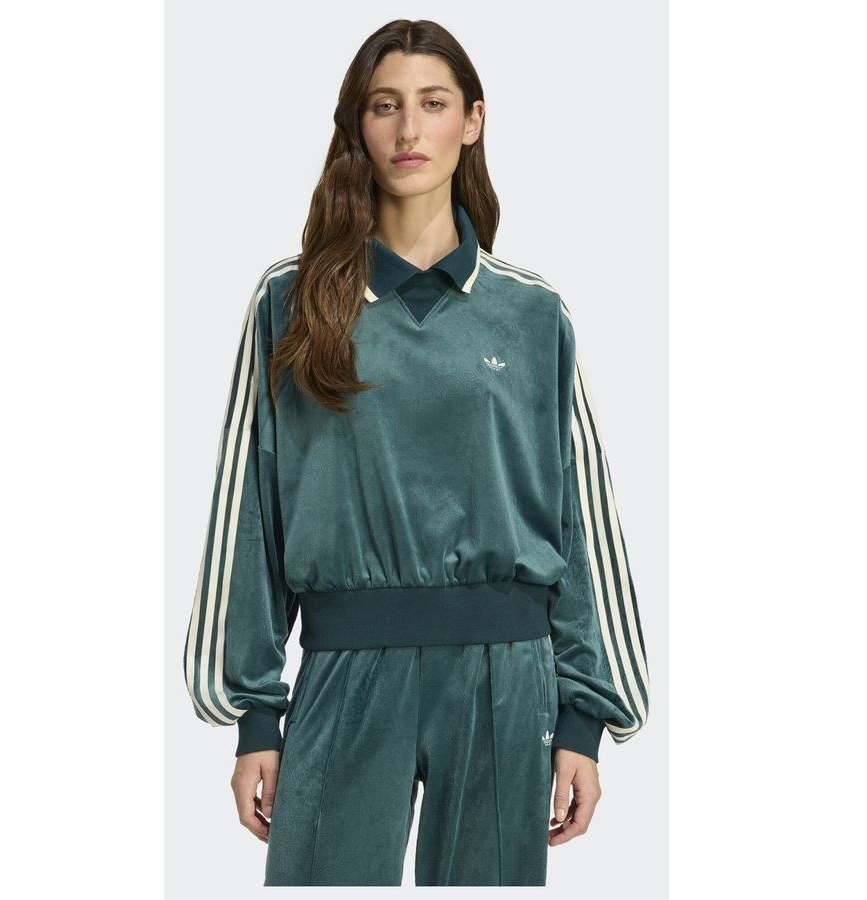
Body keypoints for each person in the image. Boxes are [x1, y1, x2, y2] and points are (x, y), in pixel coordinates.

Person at [182, 18, 650, 887]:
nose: (408, 130)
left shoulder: (532, 312)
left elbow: (583, 518)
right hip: (345, 674)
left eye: (432, 104)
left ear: (472, 120)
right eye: (384, 106)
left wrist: (586, 717)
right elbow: (247, 507)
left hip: (506, 679)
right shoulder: (290, 302)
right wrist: (254, 716)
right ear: (357, 125)